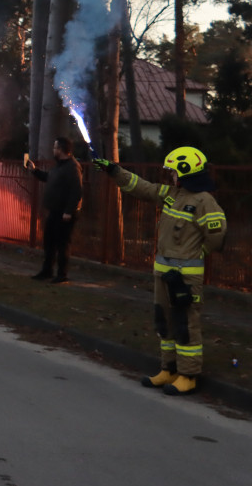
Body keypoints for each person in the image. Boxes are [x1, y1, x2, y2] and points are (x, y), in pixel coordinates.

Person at [95, 147, 227, 396]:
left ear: (186, 171)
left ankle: (188, 375)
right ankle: (169, 368)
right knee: (164, 322)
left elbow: (216, 236)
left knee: (186, 323)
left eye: (173, 172)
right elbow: (142, 187)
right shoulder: (172, 194)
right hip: (163, 275)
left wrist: (196, 254)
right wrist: (114, 171)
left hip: (186, 278)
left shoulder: (204, 201)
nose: (170, 177)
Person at [25, 136, 83, 283]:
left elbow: (76, 191)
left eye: (55, 147)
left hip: (65, 213)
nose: (53, 149)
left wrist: (69, 211)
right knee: (49, 242)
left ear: (61, 150)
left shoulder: (72, 167)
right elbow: (49, 177)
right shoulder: (59, 166)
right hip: (54, 211)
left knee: (62, 244)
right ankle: (47, 271)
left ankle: (62, 274)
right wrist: (35, 171)